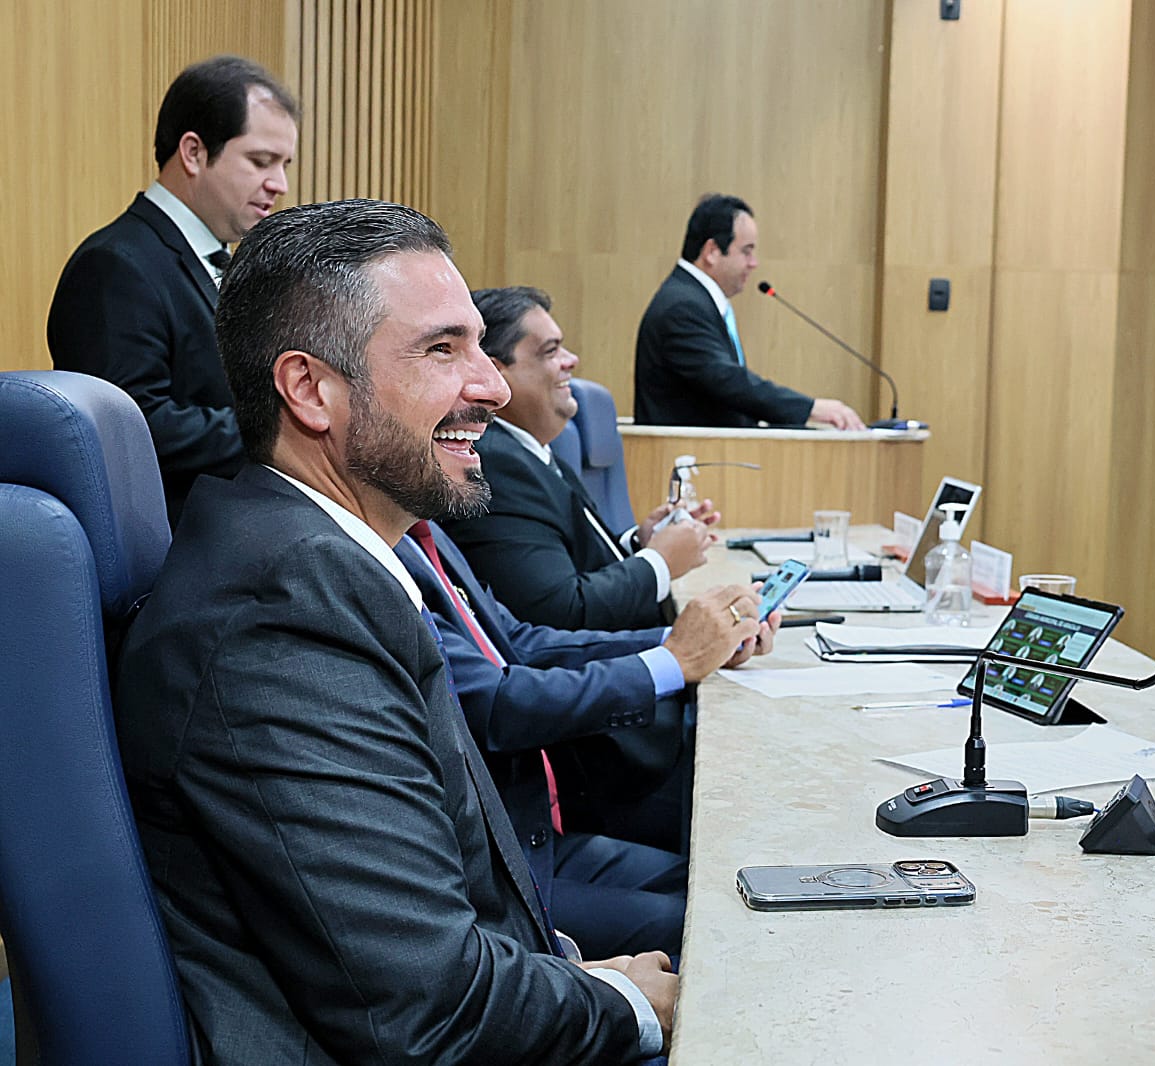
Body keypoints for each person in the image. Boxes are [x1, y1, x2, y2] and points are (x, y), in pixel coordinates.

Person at [114, 198, 684, 1063]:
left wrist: (576, 973)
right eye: (442, 349)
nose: (492, 387)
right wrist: (625, 1004)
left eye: (481, 348)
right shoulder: (285, 615)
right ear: (311, 390)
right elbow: (428, 1010)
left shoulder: (313, 558)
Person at [397, 517, 778, 952]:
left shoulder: (423, 534)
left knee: (729, 894)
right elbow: (497, 703)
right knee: (714, 932)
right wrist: (675, 661)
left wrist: (690, 642)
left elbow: (519, 642)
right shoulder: (381, 557)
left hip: (535, 835)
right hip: (490, 874)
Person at [48, 55, 299, 527]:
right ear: (193, 152)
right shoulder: (116, 265)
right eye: (260, 161)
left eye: (283, 164)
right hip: (175, 544)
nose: (279, 184)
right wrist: (283, 430)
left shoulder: (227, 260)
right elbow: (132, 426)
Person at [445, 285, 714, 631]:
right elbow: (561, 611)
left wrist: (639, 543)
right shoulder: (496, 464)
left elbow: (574, 558)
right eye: (550, 351)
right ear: (496, 374)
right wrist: (659, 562)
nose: (571, 360)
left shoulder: (531, 449)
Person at [633, 193, 866, 429]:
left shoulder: (693, 299)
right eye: (746, 251)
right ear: (712, 251)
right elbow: (726, 381)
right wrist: (810, 408)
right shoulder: (682, 308)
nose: (753, 263)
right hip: (694, 450)